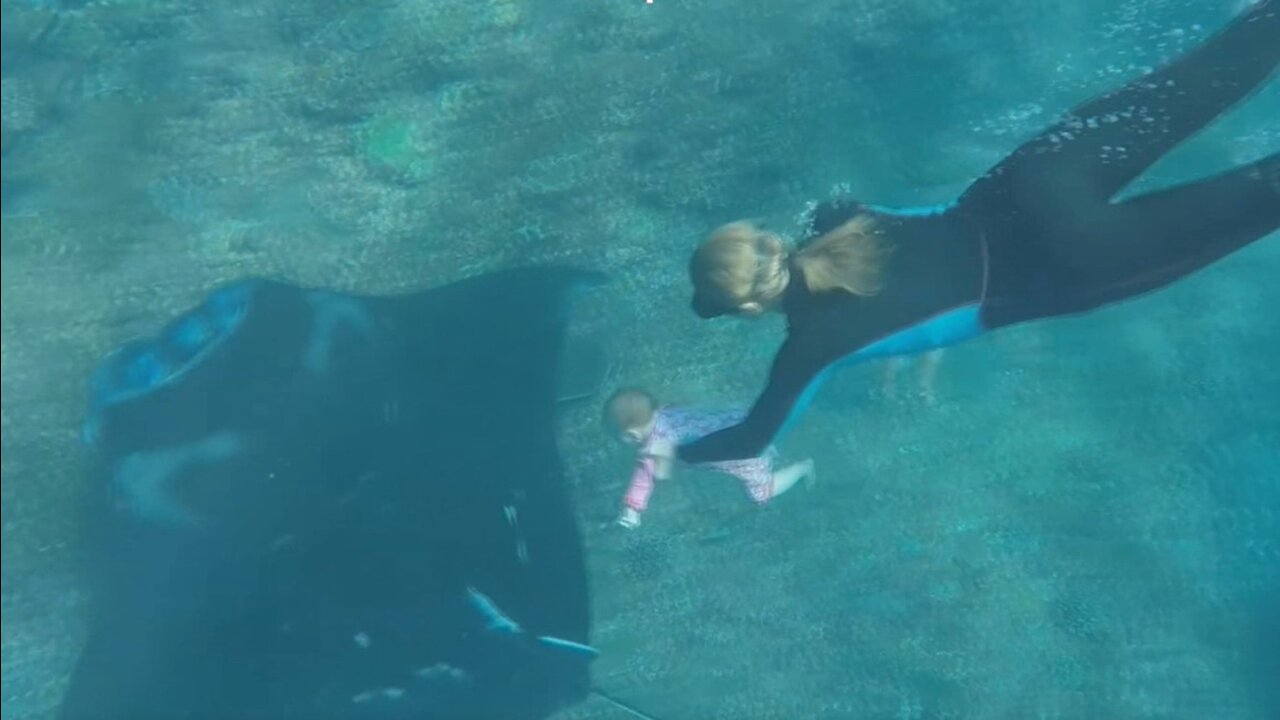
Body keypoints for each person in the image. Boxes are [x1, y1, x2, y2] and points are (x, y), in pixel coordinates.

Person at [654, 0, 1280, 465]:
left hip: (1062, 264)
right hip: (1027, 181)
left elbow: (750, 439)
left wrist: (669, 442)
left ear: (744, 308)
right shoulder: (831, 214)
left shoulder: (809, 348)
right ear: (762, 240)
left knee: (1260, 195)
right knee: (1204, 75)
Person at [602, 388, 814, 529]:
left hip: (742, 454)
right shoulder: (663, 412)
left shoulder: (654, 448)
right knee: (766, 437)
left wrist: (632, 510)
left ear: (632, 436)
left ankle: (802, 467)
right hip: (740, 420)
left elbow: (643, 479)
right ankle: (776, 442)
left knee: (761, 494)